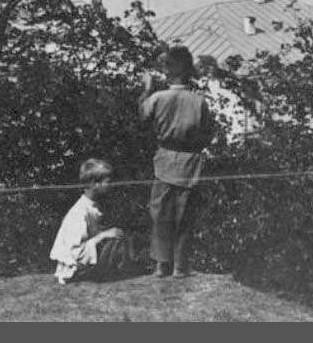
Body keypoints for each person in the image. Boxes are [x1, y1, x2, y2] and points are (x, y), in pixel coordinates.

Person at [139, 45, 214, 279]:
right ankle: (180, 266)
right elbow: (207, 133)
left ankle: (162, 266)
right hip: (190, 162)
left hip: (164, 160)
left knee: (160, 214)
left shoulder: (157, 97)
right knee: (184, 215)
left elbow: (142, 116)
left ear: (168, 71)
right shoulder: (199, 101)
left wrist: (146, 89)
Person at [50, 158, 132, 284]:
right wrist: (103, 236)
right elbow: (75, 253)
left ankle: (115, 270)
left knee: (117, 234)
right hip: (74, 266)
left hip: (85, 259)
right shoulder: (79, 212)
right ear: (94, 184)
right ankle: (104, 273)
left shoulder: (94, 205)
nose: (111, 186)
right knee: (112, 239)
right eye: (108, 182)